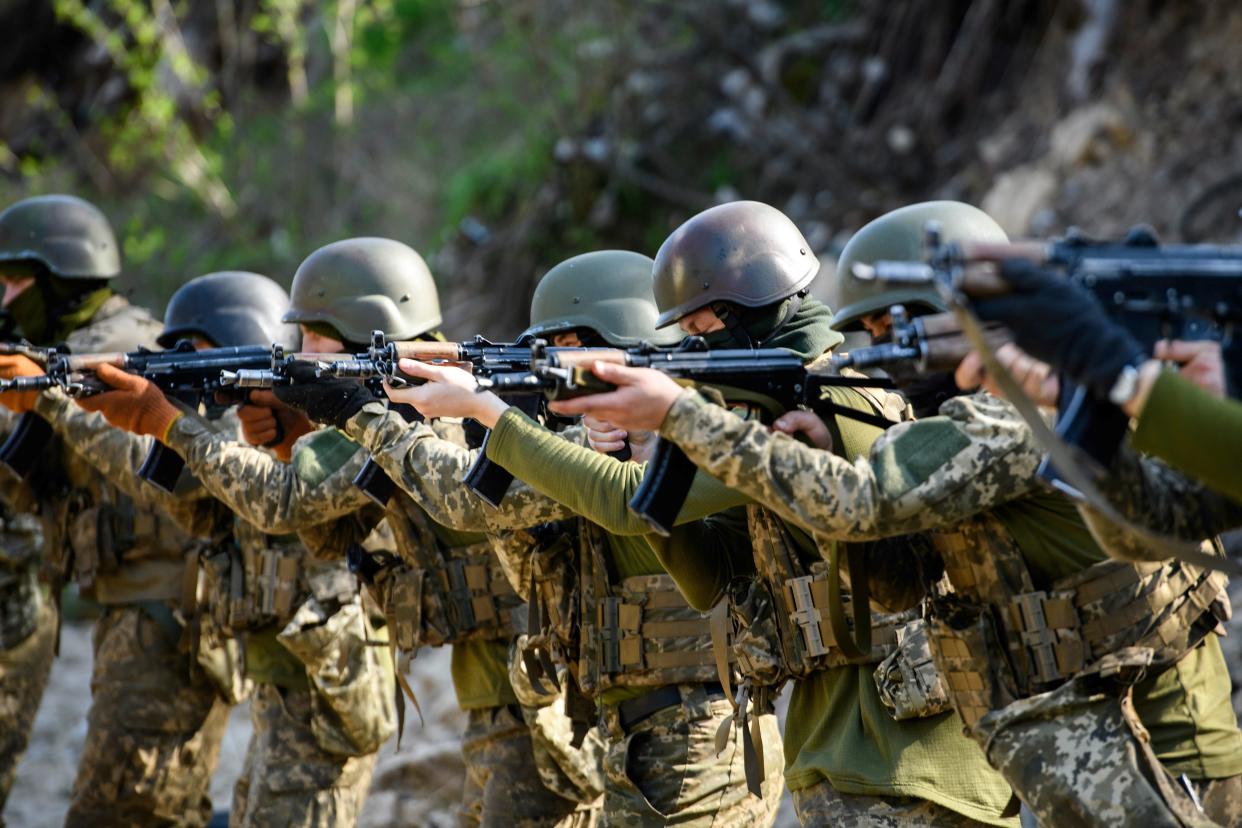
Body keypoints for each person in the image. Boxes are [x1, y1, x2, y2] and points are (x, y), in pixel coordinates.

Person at [547, 202, 1242, 825]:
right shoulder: (998, 414)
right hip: (1084, 739)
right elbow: (898, 574)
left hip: (1164, 737)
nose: (892, 351)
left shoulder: (1002, 422)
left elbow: (858, 505)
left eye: (904, 325)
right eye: (875, 329)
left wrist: (677, 415)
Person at [374, 204, 1023, 826]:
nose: (690, 350)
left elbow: (621, 502)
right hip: (846, 753)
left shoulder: (838, 405)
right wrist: (662, 449)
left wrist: (491, 415)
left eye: (703, 331)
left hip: (902, 763)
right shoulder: (801, 411)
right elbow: (711, 571)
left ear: (748, 310)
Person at [78, 237, 586, 828]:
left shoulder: (417, 408)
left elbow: (281, 503)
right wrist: (291, 436)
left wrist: (167, 424)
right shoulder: (385, 410)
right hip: (496, 691)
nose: (302, 350)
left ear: (374, 333)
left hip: (532, 694)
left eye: (320, 336)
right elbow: (329, 532)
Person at [0, 195, 231, 827]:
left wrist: (45, 391)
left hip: (170, 611)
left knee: (124, 811)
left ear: (59, 276)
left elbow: (157, 466)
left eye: (13, 281)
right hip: (132, 604)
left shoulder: (123, 348)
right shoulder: (63, 346)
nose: (4, 296)